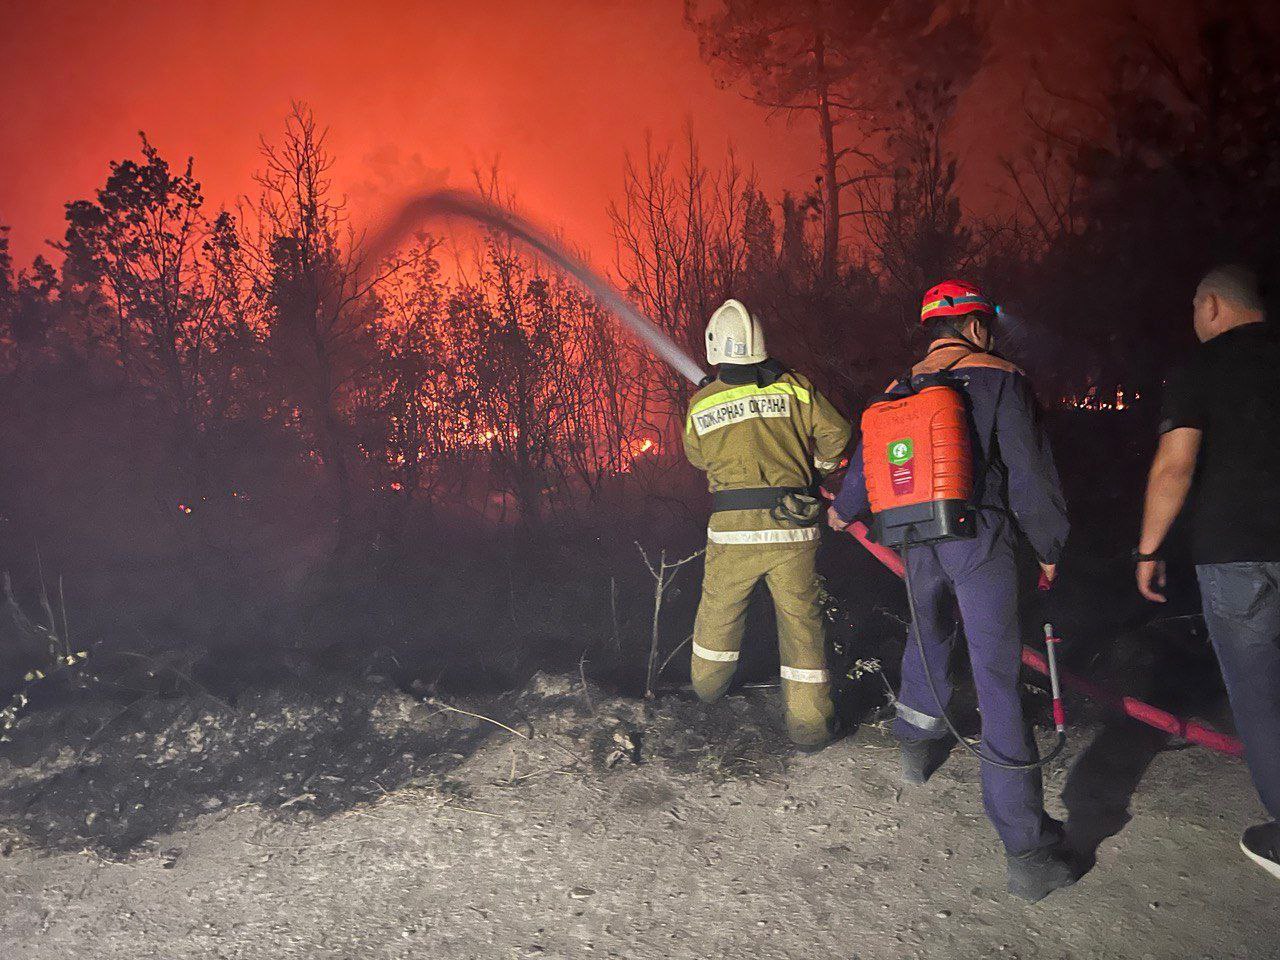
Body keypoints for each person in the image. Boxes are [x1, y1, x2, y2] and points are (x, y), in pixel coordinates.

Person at [829, 280, 1075, 902]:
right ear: (975, 327)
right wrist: (1049, 546)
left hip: (916, 537)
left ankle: (915, 748)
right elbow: (1029, 472)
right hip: (980, 536)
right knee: (995, 679)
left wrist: (846, 509)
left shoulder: (899, 387)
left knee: (928, 631)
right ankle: (1027, 851)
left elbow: (865, 467)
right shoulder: (1002, 378)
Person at [1134, 264, 1280, 881]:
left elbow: (1175, 466)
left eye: (1196, 310)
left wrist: (1148, 549)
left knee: (1259, 696)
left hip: (1235, 554)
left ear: (1213, 306)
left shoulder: (1202, 369)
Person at [682, 298, 852, 751]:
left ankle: (707, 692)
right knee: (801, 624)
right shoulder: (796, 388)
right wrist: (818, 467)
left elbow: (696, 456)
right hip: (793, 527)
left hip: (732, 531)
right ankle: (810, 729)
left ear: (715, 346)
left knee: (718, 612)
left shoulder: (702, 402)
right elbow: (838, 434)